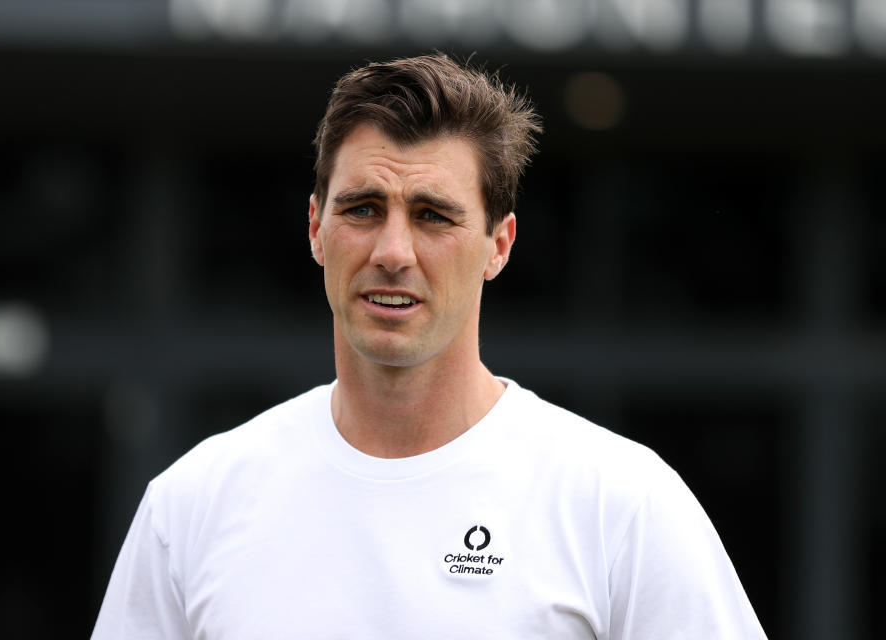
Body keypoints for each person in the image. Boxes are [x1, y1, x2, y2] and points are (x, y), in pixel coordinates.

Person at [92, 54, 767, 639]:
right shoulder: (194, 505)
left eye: (433, 215)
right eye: (362, 208)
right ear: (316, 228)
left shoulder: (620, 503)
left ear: (497, 245)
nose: (392, 252)